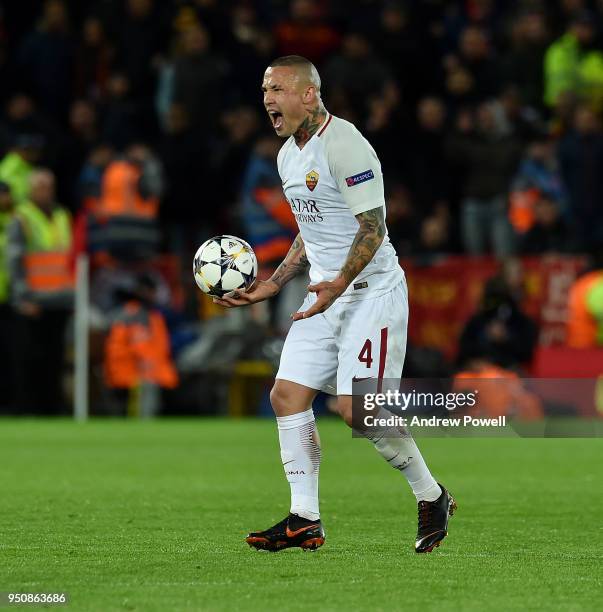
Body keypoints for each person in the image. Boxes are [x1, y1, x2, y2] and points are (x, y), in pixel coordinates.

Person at [214, 55, 456, 554]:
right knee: (286, 396)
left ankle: (431, 495)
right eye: (264, 91)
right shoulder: (287, 156)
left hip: (371, 294)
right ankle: (305, 518)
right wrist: (276, 283)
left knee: (356, 411)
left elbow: (374, 227)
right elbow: (311, 228)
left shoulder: (344, 145)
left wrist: (340, 282)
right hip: (325, 293)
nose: (268, 101)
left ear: (308, 94)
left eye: (277, 89)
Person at [7, 169, 73, 414]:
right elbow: (14, 261)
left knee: (54, 359)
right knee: (28, 359)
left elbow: (69, 258)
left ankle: (50, 408)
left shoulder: (62, 215)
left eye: (49, 186)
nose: (46, 191)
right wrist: (21, 298)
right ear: (31, 189)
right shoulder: (22, 217)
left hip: (60, 299)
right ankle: (27, 409)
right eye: (41, 186)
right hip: (33, 301)